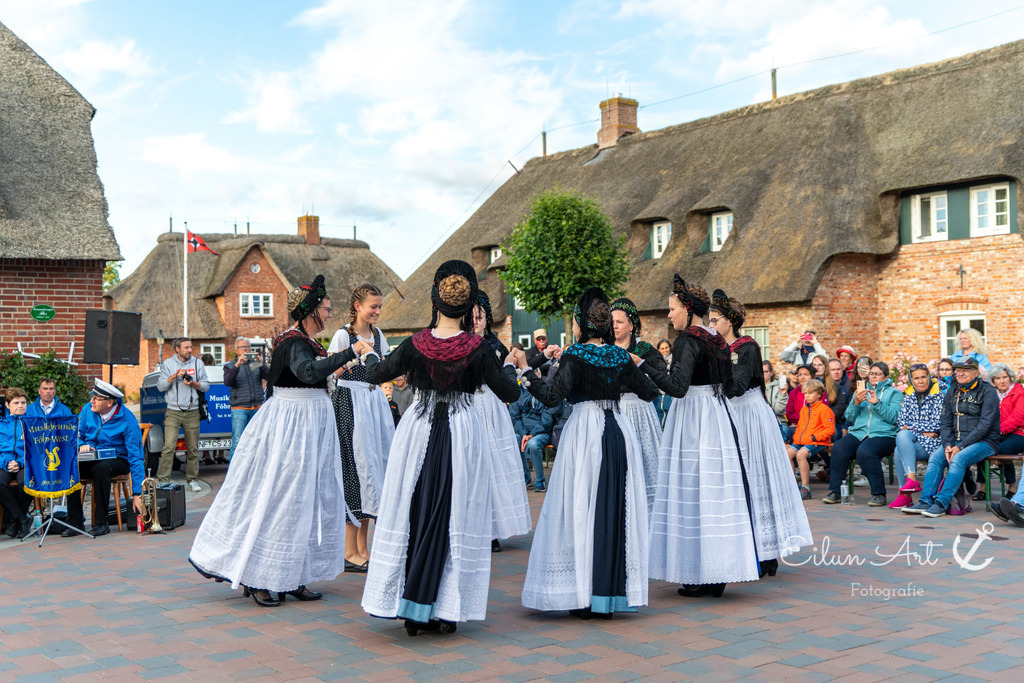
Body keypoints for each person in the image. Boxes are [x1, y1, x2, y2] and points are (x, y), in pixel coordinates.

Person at [359, 260, 521, 635]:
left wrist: (369, 354)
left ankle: (413, 602)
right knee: (455, 514)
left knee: (414, 508)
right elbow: (509, 393)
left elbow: (376, 373)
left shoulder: (416, 344)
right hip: (462, 433)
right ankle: (444, 606)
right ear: (468, 308)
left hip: (419, 429)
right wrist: (512, 365)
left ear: (436, 302)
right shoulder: (478, 349)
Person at [190, 275, 354, 607]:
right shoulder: (293, 341)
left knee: (307, 499)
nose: (329, 314)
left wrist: (335, 369)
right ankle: (258, 577)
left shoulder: (306, 342)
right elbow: (307, 374)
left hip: (310, 425)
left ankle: (294, 574)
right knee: (281, 498)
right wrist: (348, 353)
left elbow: (310, 374)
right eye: (326, 308)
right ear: (309, 310)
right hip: (293, 426)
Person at [516, 287, 659, 619]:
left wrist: (525, 372)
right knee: (613, 508)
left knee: (581, 509)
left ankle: (581, 593)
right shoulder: (620, 356)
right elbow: (650, 392)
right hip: (619, 432)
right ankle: (608, 595)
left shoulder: (575, 356)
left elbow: (552, 397)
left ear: (581, 325)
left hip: (586, 434)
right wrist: (640, 364)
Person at [640, 275, 759, 599]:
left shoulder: (689, 340)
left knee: (693, 491)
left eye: (672, 308)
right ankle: (715, 572)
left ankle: (697, 572)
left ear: (687, 309)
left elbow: (678, 387)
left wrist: (648, 364)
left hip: (695, 419)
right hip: (717, 415)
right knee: (714, 492)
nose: (669, 315)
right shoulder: (714, 338)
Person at [710, 289, 812, 575]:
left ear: (729, 321)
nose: (712, 325)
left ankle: (766, 552)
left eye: (715, 320)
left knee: (756, 477)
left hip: (750, 414)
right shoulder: (715, 349)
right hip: (728, 411)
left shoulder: (748, 347)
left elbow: (740, 382)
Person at [328, 283, 396, 573]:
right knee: (353, 471)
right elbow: (330, 369)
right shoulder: (344, 334)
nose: (378, 311)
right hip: (349, 402)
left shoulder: (379, 336)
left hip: (373, 402)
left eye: (380, 306)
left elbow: (385, 370)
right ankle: (349, 550)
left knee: (372, 471)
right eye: (373, 306)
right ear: (357, 306)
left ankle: (363, 548)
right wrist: (353, 355)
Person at [471, 292, 531, 551]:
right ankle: (476, 527)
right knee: (475, 466)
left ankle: (494, 529)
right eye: (471, 318)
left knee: (496, 467)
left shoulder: (495, 345)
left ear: (487, 319)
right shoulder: (462, 344)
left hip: (493, 408)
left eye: (480, 317)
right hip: (471, 406)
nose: (475, 322)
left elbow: (509, 374)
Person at [903, 358, 999, 518]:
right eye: (958, 370)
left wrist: (960, 446)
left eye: (966, 370)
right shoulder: (952, 389)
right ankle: (926, 500)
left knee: (958, 459)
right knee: (935, 458)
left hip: (985, 441)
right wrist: (948, 444)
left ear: (976, 373)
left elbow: (985, 426)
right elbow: (945, 421)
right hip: (955, 441)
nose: (960, 373)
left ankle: (942, 502)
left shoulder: (988, 392)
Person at [68, 379, 145, 537]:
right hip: (90, 456)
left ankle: (101, 523)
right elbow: (76, 436)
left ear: (110, 402)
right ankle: (75, 522)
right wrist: (82, 444)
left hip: (118, 459)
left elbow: (136, 457)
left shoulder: (127, 420)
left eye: (96, 398)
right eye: (92, 397)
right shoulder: (87, 410)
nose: (91, 401)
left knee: (101, 468)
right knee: (70, 467)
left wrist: (137, 492)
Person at [610, 297, 664, 510]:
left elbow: (661, 376)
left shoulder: (645, 350)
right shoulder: (604, 350)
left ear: (631, 325)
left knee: (643, 461)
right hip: (613, 410)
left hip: (639, 410)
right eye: (612, 322)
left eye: (619, 322)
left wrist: (641, 366)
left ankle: (646, 512)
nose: (614, 325)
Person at [823, 362, 902, 507]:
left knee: (866, 451)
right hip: (859, 432)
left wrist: (877, 403)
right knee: (839, 448)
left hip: (884, 434)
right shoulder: (861, 391)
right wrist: (856, 402)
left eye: (877, 374)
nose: (873, 376)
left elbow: (894, 418)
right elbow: (850, 417)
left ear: (886, 376)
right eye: (871, 373)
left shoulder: (894, 393)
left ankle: (879, 494)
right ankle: (835, 491)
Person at [156, 337, 209, 491]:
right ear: (177, 349)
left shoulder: (198, 363)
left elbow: (206, 386)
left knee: (193, 448)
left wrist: (193, 383)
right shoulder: (168, 364)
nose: (190, 350)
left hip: (192, 412)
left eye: (191, 347)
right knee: (169, 447)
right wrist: (174, 376)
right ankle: (163, 480)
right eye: (186, 348)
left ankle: (192, 480)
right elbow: (160, 386)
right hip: (173, 411)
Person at [891, 364, 943, 509]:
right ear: (911, 380)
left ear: (929, 377)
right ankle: (910, 480)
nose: (920, 381)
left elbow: (936, 425)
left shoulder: (939, 394)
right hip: (917, 441)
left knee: (900, 445)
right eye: (916, 378)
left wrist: (912, 427)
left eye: (923, 377)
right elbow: (901, 422)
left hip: (934, 443)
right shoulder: (910, 395)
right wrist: (921, 430)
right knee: (901, 437)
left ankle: (905, 495)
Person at [976, 363, 1023, 501]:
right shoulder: (991, 393)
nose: (1002, 381)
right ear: (993, 381)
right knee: (980, 447)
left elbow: (1018, 418)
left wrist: (999, 431)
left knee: (1003, 449)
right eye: (998, 378)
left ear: (1010, 378)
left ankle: (1012, 486)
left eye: (1005, 377)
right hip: (997, 433)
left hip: (1019, 433)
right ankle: (983, 488)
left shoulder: (1019, 392)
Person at [509, 371, 558, 492]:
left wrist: (532, 434)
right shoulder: (518, 393)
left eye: (535, 371)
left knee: (533, 444)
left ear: (539, 375)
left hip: (542, 432)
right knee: (515, 438)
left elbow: (547, 420)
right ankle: (525, 478)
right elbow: (515, 417)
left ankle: (540, 481)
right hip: (524, 432)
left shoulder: (545, 391)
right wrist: (524, 433)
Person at [223, 337, 269, 463]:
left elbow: (269, 376)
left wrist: (260, 363)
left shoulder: (254, 364)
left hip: (256, 408)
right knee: (237, 442)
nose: (245, 349)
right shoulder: (230, 366)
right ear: (236, 350)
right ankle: (234, 475)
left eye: (248, 347)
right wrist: (238, 365)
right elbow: (228, 382)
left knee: (257, 442)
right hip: (239, 409)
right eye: (242, 347)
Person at [787, 379, 834, 500]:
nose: (807, 396)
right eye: (805, 393)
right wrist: (796, 439)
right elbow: (800, 427)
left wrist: (815, 437)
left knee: (801, 454)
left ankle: (805, 488)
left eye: (810, 393)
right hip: (802, 441)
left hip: (817, 441)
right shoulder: (804, 409)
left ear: (819, 394)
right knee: (787, 454)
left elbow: (829, 429)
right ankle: (792, 486)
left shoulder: (824, 409)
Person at [0, 388, 32, 539]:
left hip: (25, 462)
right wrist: (6, 463)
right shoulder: (1, 424)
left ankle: (14, 522)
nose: (20, 406)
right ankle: (22, 518)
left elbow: (36, 450)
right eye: (16, 403)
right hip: (4, 463)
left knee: (25, 483)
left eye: (23, 403)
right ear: (7, 405)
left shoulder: (32, 424)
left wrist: (19, 462)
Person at [784, 365, 819, 438]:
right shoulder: (793, 393)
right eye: (800, 375)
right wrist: (807, 416)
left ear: (812, 376)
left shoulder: (819, 392)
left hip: (815, 427)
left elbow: (819, 414)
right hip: (796, 427)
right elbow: (789, 415)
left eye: (806, 374)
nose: (802, 377)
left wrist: (799, 417)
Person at [654, 339, 674, 425]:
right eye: (662, 348)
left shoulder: (674, 360)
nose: (665, 350)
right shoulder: (655, 361)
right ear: (658, 350)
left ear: (670, 348)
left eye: (666, 347)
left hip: (669, 392)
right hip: (658, 392)